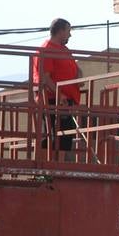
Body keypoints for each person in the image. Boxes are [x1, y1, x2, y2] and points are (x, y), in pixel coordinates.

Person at [34, 18, 83, 155]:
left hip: (64, 101)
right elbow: (45, 78)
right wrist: (59, 95)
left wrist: (78, 77)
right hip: (53, 100)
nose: (70, 35)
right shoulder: (47, 49)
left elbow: (77, 69)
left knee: (65, 136)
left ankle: (55, 167)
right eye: (68, 31)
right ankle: (46, 170)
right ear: (60, 31)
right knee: (53, 136)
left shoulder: (64, 49)